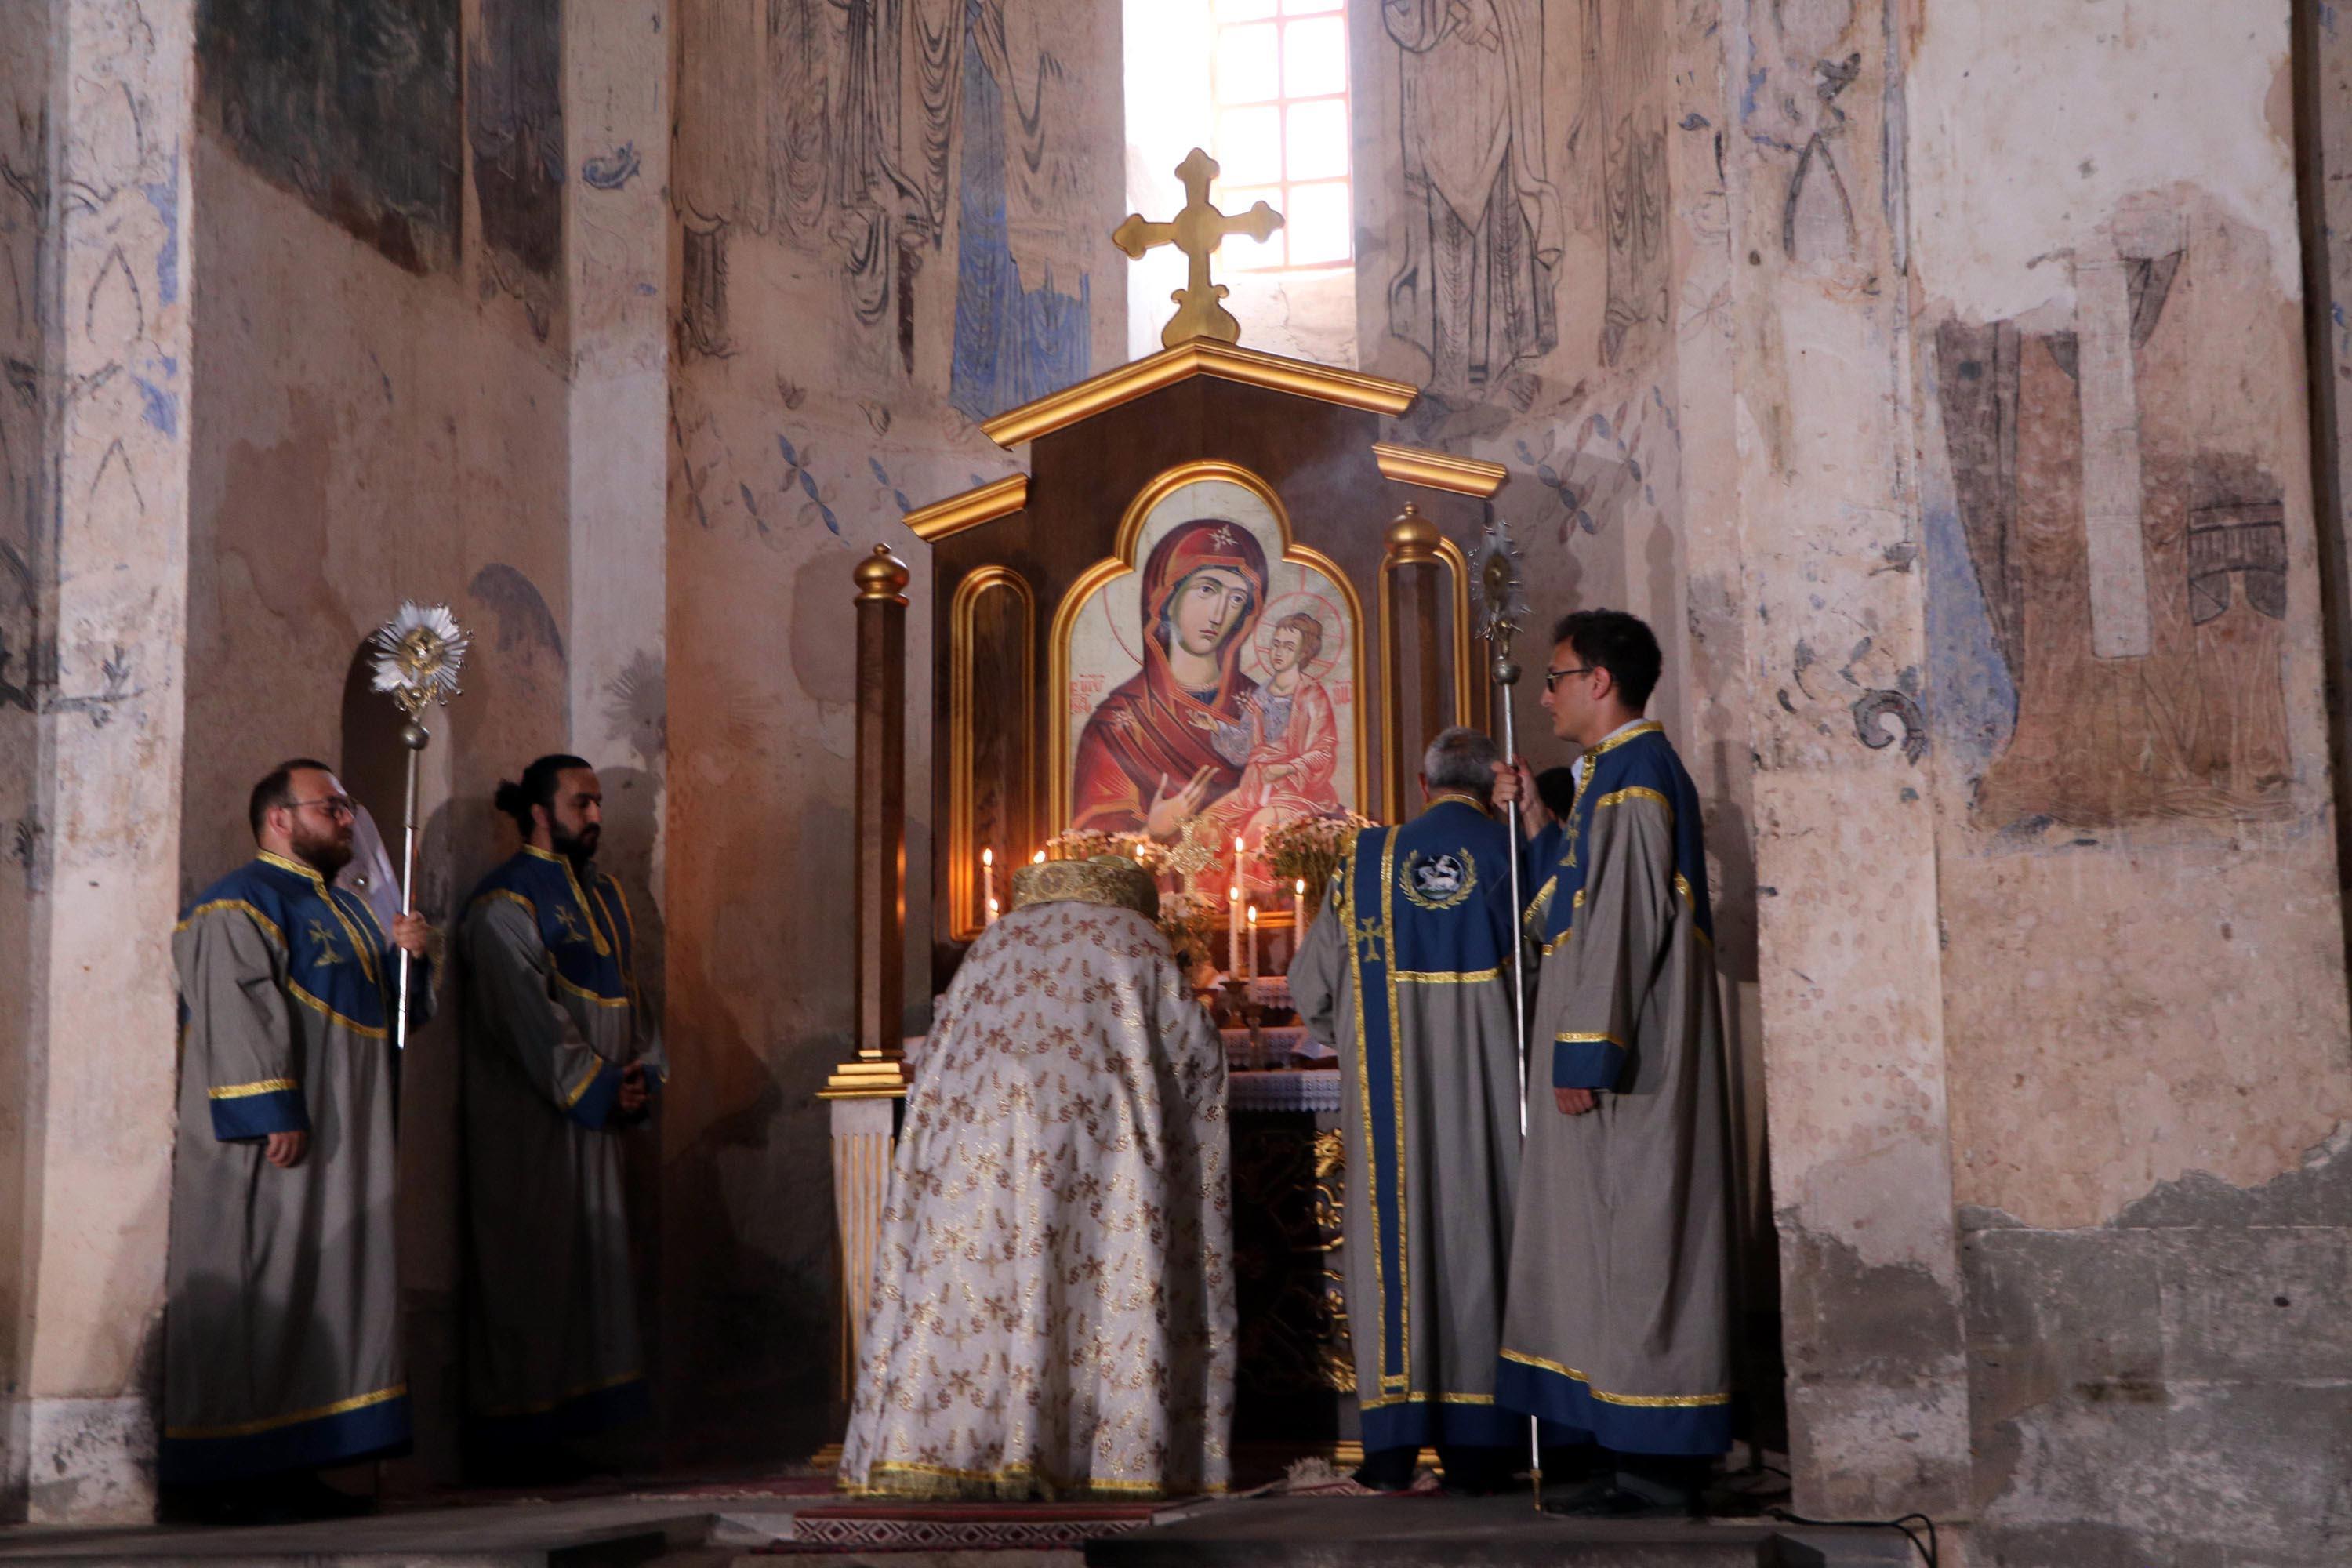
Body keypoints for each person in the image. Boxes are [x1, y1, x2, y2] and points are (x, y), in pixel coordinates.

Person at [839, 855, 1233, 1498]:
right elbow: (1193, 1052)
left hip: (971, 1152)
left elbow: (939, 1052)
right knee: (1085, 1285)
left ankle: (943, 1450)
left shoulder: (995, 942)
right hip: (1093, 1149)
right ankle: (1098, 1457)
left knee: (977, 1290)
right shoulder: (1134, 939)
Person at [1492, 610, 1733, 1519]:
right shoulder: (1611, 780)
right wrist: (1544, 817)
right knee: (1608, 1246)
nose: (1545, 693)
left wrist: (1585, 1049)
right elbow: (1569, 904)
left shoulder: (1636, 775)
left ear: (1601, 681)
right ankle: (1630, 1448)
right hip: (1620, 1050)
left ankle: (1659, 1465)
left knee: (1641, 1243)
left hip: (1636, 1064)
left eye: (1554, 676)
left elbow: (1625, 920)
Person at [162, 760, 430, 1519]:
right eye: (331, 807)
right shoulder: (235, 902)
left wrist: (410, 955)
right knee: (265, 1292)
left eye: (346, 807)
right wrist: (270, 1103)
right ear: (279, 818)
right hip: (274, 1146)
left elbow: (400, 1017)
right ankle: (229, 1474)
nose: (347, 818)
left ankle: (300, 1462)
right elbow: (232, 1002)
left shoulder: (349, 912)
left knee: (328, 1297)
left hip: (345, 1149)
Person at [1288, 727, 1525, 1494]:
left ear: (1423, 784)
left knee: (1392, 1247)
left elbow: (1311, 991)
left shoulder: (1363, 859)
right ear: (1493, 783)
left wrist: (1353, 1041)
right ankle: (1485, 1447)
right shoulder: (1512, 854)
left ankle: (1390, 1449)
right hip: (1491, 1094)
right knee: (1482, 1239)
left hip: (1387, 1092)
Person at [456, 754, 663, 1482]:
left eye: (600, 803)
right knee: (530, 1269)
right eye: (583, 803)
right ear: (540, 813)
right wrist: (599, 1085)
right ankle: (515, 1436)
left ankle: (568, 1425)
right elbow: (524, 1018)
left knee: (589, 1271)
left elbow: (631, 996)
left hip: (596, 1115)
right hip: (531, 1119)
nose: (597, 816)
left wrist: (641, 1075)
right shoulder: (503, 904)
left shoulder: (605, 896)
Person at [1069, 518, 1267, 840]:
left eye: (1236, 599)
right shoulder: (1118, 726)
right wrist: (1152, 830)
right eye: (1207, 590)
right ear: (1166, 598)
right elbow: (1093, 860)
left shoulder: (1261, 707)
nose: (1219, 615)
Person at [1203, 611, 1345, 880]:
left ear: (1303, 653)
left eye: (1288, 646)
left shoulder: (1311, 695)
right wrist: (1216, 726)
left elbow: (1323, 751)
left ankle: (1260, 909)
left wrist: (1287, 769)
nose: (1279, 651)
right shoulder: (1263, 691)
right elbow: (1245, 746)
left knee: (1258, 831)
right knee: (1206, 825)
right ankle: (1206, 907)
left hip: (1296, 793)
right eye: (1276, 644)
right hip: (1254, 788)